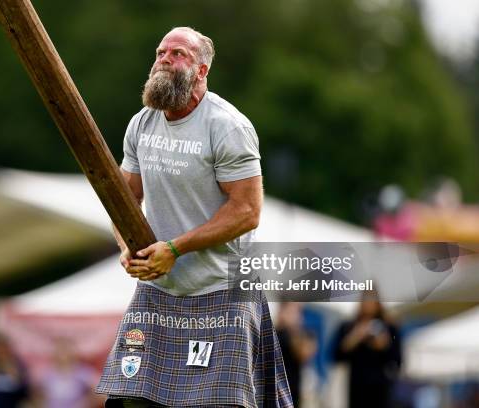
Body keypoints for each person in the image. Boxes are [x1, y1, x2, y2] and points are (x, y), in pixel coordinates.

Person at [95, 27, 293, 407]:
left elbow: (247, 211)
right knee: (128, 399)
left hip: (224, 290)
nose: (164, 59)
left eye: (178, 53)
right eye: (160, 52)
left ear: (201, 70)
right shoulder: (142, 124)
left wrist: (174, 248)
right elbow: (124, 199)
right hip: (159, 293)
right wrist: (128, 247)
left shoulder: (226, 126)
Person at [333, 291, 401, 408]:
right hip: (357, 390)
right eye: (365, 298)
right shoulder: (349, 327)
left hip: (381, 391)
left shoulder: (390, 328)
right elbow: (336, 356)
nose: (368, 303)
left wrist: (384, 346)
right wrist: (354, 338)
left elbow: (397, 361)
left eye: (372, 298)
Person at [275, 302, 317, 408]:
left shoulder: (300, 334)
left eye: (298, 312)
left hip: (292, 391)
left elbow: (306, 353)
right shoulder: (273, 333)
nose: (297, 316)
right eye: (293, 311)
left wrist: (294, 330)